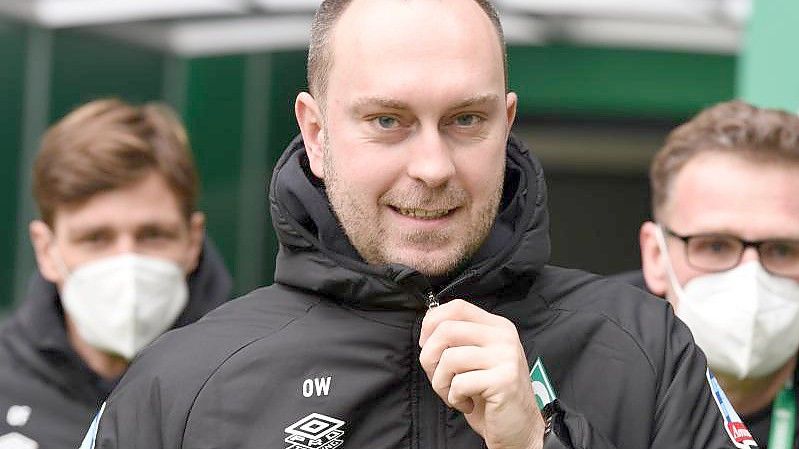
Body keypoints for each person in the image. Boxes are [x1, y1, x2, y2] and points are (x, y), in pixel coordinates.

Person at [82, 2, 751, 448]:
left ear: (506, 122)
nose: (431, 166)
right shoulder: (182, 384)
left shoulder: (646, 350)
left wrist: (531, 439)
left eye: (465, 119)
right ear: (315, 132)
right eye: (387, 121)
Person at [0, 99, 232, 449]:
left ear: (193, 241)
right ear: (46, 250)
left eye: (153, 235)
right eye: (95, 238)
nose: (128, 261)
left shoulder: (253, 380)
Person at [636, 100, 799, 448]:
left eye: (783, 250)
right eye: (715, 246)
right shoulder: (573, 379)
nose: (751, 278)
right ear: (655, 256)